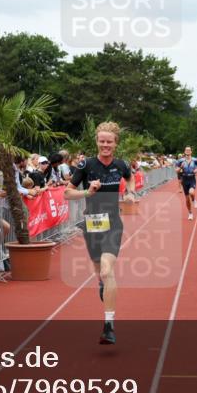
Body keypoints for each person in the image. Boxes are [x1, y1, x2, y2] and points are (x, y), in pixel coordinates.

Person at [65, 121, 136, 345]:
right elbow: (67, 193)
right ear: (97, 142)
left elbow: (131, 177)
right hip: (92, 224)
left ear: (115, 144)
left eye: (109, 142)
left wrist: (131, 193)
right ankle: (103, 285)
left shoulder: (121, 165)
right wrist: (88, 190)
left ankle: (109, 325)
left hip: (113, 223)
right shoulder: (86, 165)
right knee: (100, 272)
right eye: (102, 141)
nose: (105, 145)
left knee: (107, 270)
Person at [175, 146, 197, 220]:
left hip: (192, 178)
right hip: (184, 179)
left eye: (189, 150)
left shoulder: (195, 160)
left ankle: (194, 200)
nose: (188, 151)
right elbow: (176, 170)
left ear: (191, 152)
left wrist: (196, 170)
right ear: (184, 151)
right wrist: (181, 168)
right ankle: (190, 213)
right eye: (186, 150)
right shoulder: (180, 161)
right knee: (187, 199)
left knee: (191, 192)